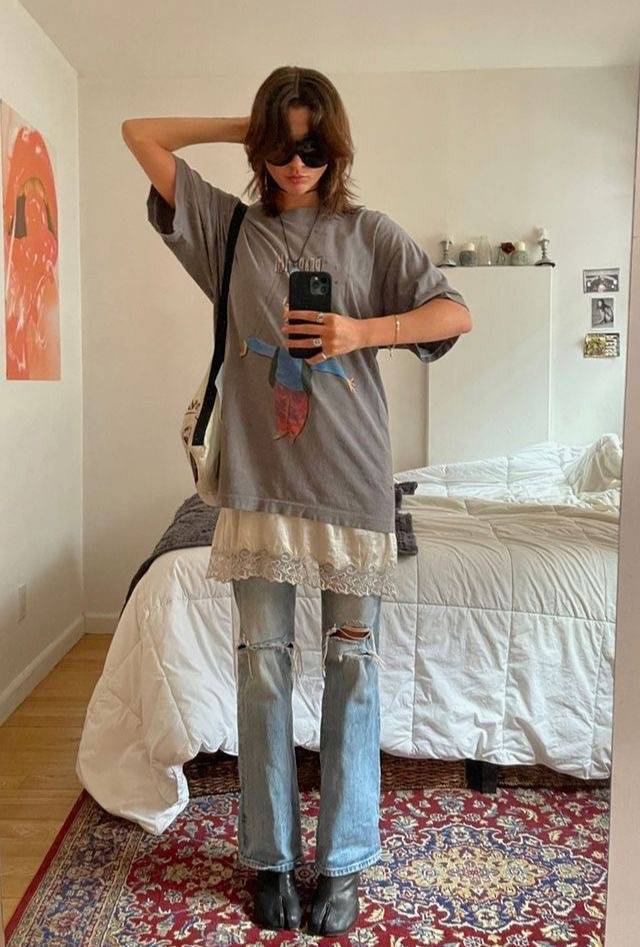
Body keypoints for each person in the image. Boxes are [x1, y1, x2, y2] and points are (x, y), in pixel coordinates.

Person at [123, 65, 471, 936]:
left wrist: (362, 331)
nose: (296, 163)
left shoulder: (368, 233)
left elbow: (453, 314)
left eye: (313, 147)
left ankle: (343, 861)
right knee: (263, 667)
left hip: (351, 487)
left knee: (353, 670)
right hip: (258, 485)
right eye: (281, 146)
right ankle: (270, 858)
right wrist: (248, 122)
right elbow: (140, 134)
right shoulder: (227, 228)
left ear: (336, 148)